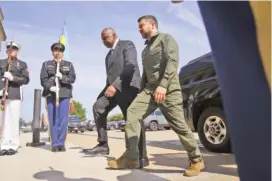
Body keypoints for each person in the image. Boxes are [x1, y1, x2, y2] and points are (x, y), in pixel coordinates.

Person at [107, 15, 204, 177]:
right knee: (132, 113)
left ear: (152, 25)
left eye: (141, 26)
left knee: (179, 125)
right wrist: (141, 93)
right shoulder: (145, 50)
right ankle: (132, 156)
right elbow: (146, 74)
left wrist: (163, 85)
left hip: (169, 91)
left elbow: (172, 62)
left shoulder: (166, 39)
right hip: (150, 91)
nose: (139, 29)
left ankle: (196, 159)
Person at [82, 28, 149, 168]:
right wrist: (105, 92)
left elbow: (130, 67)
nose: (104, 41)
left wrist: (115, 85)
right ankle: (103, 144)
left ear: (114, 35)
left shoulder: (127, 45)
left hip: (129, 87)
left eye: (106, 37)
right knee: (98, 106)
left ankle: (141, 156)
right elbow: (110, 77)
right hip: (113, 89)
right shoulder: (108, 56)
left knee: (132, 120)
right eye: (102, 39)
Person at [40, 42, 76, 152]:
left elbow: (72, 79)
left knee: (63, 120)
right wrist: (50, 87)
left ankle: (61, 143)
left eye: (60, 51)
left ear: (63, 53)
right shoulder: (46, 64)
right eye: (55, 50)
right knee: (53, 119)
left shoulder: (69, 65)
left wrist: (62, 77)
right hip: (51, 94)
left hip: (64, 94)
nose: (58, 52)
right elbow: (43, 80)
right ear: (52, 52)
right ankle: (54, 144)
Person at [0, 40, 30, 156]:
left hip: (15, 93)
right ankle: (4, 144)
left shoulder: (22, 64)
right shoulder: (1, 62)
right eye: (9, 48)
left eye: (14, 49)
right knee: (4, 120)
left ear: (17, 51)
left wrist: (13, 78)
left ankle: (13, 144)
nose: (11, 50)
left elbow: (26, 79)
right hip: (3, 94)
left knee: (13, 119)